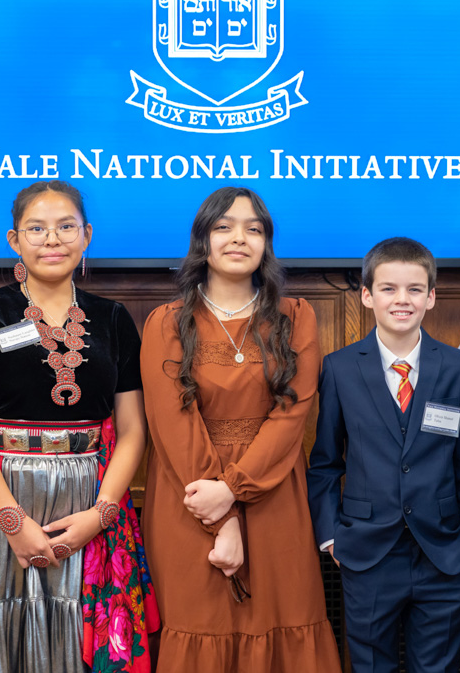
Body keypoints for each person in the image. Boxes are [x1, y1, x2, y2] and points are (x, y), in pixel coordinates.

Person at [0, 180, 158, 673]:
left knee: (82, 627)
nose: (52, 239)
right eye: (36, 228)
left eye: (65, 227)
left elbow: (133, 429)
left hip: (89, 493)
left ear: (87, 236)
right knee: (2, 628)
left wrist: (100, 516)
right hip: (2, 492)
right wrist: (11, 521)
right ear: (14, 240)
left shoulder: (114, 318)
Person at [140, 187, 341, 672]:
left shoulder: (297, 318)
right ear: (202, 240)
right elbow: (173, 425)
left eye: (254, 229)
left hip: (274, 497)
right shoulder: (166, 322)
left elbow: (292, 415)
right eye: (224, 227)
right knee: (198, 623)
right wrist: (221, 517)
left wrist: (232, 490)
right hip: (188, 499)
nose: (239, 238)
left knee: (283, 616)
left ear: (266, 244)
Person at [307, 237, 460, 673]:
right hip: (367, 552)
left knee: (439, 666)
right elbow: (327, 462)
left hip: (444, 552)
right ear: (367, 295)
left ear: (431, 297)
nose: (401, 300)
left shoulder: (459, 367)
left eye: (414, 289)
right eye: (388, 288)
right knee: (371, 665)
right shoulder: (339, 368)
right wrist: (332, 536)